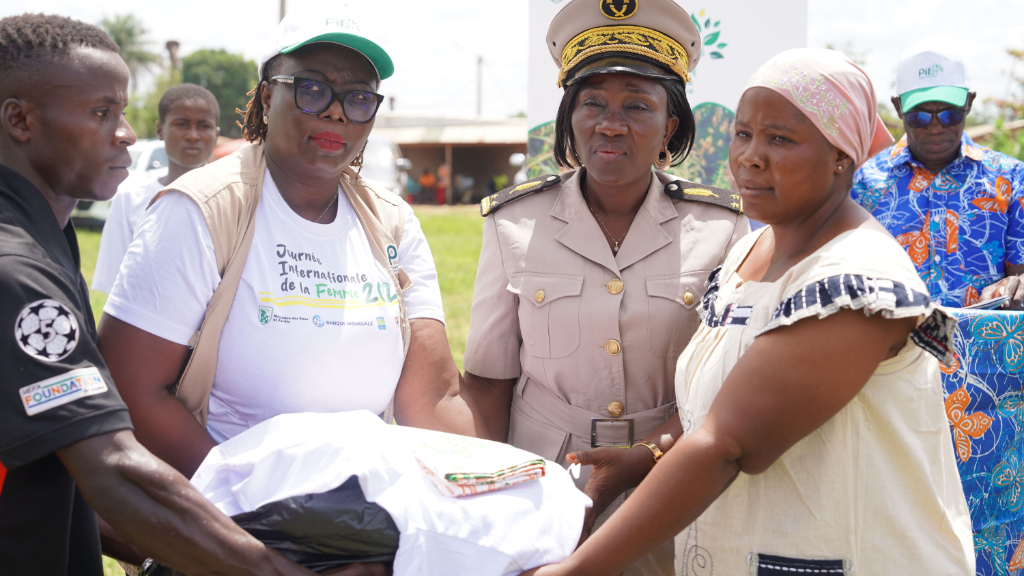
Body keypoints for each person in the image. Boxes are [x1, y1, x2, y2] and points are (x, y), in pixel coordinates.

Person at [525, 48, 974, 576]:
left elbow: (728, 443)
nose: (750, 157)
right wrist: (642, 456)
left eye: (780, 139)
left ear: (841, 157)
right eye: (743, 134)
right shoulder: (748, 253)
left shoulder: (855, 278)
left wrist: (574, 570)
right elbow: (717, 401)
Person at [0, 13, 346, 576]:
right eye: (101, 113)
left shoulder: (45, 234)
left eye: (122, 111)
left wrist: (170, 553)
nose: (126, 134)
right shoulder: (16, 270)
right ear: (20, 120)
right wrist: (274, 569)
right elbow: (110, 467)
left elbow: (59, 467)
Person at [97, 11, 486, 483]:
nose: (336, 112)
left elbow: (432, 399)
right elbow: (133, 389)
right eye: (313, 89)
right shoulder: (201, 211)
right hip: (230, 506)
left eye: (359, 98)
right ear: (267, 97)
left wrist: (491, 477)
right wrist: (251, 497)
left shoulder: (392, 222)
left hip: (362, 500)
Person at [461, 1, 748, 574]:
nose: (610, 124)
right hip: (543, 481)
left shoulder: (720, 226)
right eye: (592, 103)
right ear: (570, 116)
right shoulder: (514, 222)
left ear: (669, 126)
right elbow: (489, 383)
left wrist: (650, 453)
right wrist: (483, 500)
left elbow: (729, 384)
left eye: (636, 106)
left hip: (672, 477)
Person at [852, 40, 1024, 309]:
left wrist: (1017, 285)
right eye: (919, 116)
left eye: (949, 115)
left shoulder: (1011, 179)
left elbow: (1020, 272)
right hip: (893, 336)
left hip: (983, 336)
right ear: (898, 107)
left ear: (969, 102)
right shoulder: (862, 183)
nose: (935, 127)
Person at [92, 83, 221, 294]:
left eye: (204, 126)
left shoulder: (234, 198)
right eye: (181, 124)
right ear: (160, 130)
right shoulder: (130, 197)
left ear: (216, 134)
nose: (193, 135)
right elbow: (114, 283)